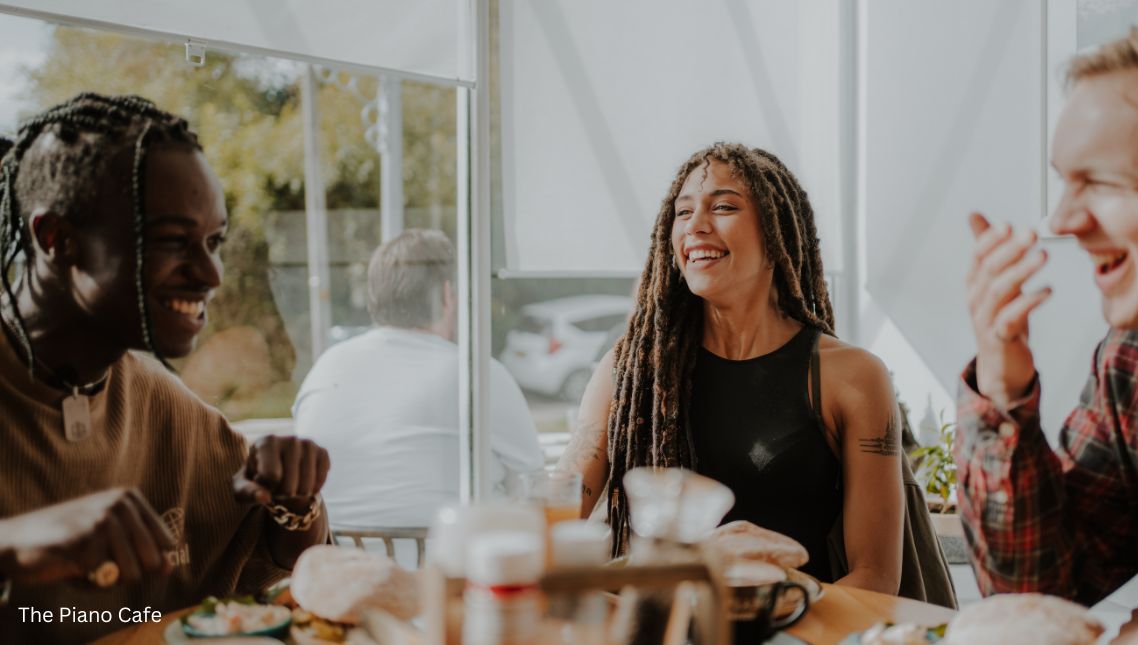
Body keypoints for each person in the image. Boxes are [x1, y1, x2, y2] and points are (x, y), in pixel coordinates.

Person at [0, 93, 330, 643]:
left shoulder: (164, 402)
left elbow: (284, 576)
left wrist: (295, 501)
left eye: (214, 241)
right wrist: (11, 548)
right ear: (56, 239)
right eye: (173, 241)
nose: (211, 273)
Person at [956, 6, 1138, 643]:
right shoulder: (1137, 362)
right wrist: (1003, 383)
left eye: (1100, 181)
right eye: (1063, 182)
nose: (1064, 220)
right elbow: (1037, 595)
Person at [561, 143, 907, 594]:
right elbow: (558, 511)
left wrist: (776, 606)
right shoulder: (629, 371)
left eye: (723, 207)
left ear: (776, 233)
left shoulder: (853, 378)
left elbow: (876, 579)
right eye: (683, 213)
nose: (696, 226)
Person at [294, 229, 543, 530]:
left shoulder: (326, 367)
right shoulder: (476, 372)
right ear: (448, 294)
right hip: (450, 570)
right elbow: (534, 483)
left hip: (338, 568)